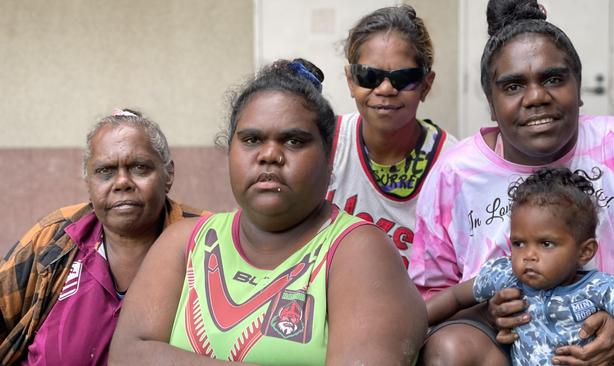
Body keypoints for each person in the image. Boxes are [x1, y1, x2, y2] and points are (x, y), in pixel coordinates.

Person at [109, 59, 426, 365]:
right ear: (229, 150)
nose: (270, 155)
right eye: (251, 139)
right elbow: (127, 356)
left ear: (330, 159)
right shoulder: (185, 243)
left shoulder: (358, 252)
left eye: (293, 141)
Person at [408, 0, 614, 364]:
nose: (536, 97)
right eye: (513, 86)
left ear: (579, 86)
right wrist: (486, 312)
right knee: (449, 349)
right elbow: (428, 298)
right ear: (491, 103)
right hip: (504, 346)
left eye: (553, 78)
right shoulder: (456, 176)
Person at [0, 109, 209, 365]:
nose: (122, 182)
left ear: (169, 175)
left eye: (139, 168)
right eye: (106, 171)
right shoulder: (55, 237)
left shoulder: (207, 240)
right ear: (88, 183)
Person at [425, 167, 614, 365]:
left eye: (546, 243)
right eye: (519, 243)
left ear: (585, 251)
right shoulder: (506, 275)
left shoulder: (605, 289)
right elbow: (455, 296)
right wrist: (415, 326)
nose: (528, 255)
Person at [326, 5, 457, 268]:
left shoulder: (453, 166)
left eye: (404, 78)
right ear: (351, 81)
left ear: (426, 85)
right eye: (369, 76)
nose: (385, 89)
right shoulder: (327, 144)